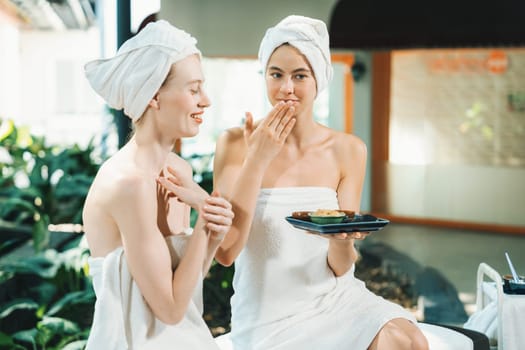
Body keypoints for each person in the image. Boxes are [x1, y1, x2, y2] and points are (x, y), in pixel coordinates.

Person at [211, 15, 429, 350]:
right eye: (276, 74)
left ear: (318, 80)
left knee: (407, 340)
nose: (287, 88)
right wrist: (258, 158)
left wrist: (343, 241)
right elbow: (225, 252)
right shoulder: (236, 144)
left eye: (299, 75)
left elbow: (341, 267)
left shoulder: (348, 150)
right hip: (268, 317)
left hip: (336, 300)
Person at [82, 20, 234, 349]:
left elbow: (186, 284)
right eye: (193, 89)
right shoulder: (129, 183)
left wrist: (210, 232)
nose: (205, 100)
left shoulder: (176, 170)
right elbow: (170, 309)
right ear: (153, 96)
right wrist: (205, 222)